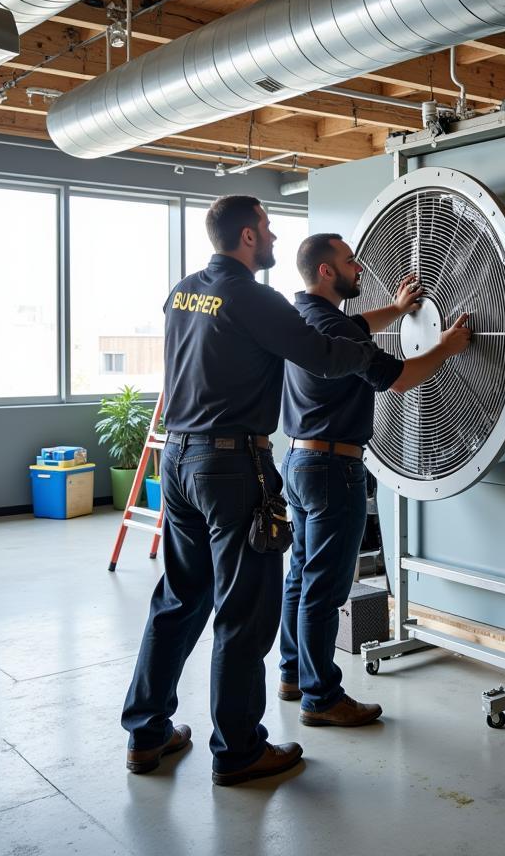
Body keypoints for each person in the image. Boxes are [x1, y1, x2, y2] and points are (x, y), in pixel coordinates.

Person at [122, 196, 380, 787]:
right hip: (232, 468)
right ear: (245, 235)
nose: (273, 236)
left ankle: (147, 733)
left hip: (180, 460)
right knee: (244, 611)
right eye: (266, 227)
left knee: (181, 598)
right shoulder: (252, 297)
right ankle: (238, 750)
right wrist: (377, 361)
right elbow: (320, 354)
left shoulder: (184, 290)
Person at [277, 233, 472, 725]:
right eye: (349, 261)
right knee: (325, 588)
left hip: (299, 463)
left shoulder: (302, 318)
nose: (360, 266)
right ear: (326, 271)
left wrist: (397, 309)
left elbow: (355, 326)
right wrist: (445, 346)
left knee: (300, 577)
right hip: (332, 468)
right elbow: (401, 376)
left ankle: (293, 673)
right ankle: (321, 699)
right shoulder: (339, 332)